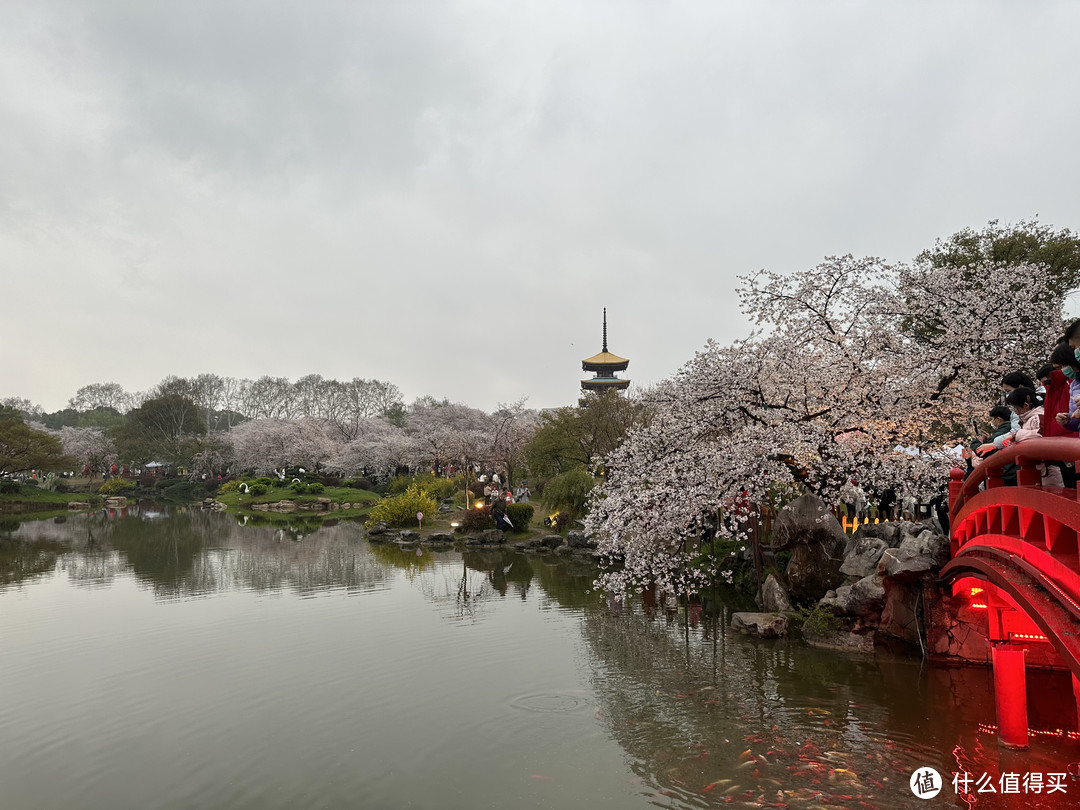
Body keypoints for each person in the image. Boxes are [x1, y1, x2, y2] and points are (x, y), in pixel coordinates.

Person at [1007, 387, 1064, 487]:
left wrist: (1018, 435)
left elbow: (1040, 436)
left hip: (1048, 468)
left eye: (1015, 408)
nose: (1015, 411)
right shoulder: (1029, 419)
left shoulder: (1038, 416)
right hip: (1040, 469)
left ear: (1025, 405)